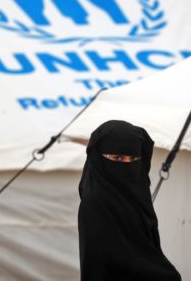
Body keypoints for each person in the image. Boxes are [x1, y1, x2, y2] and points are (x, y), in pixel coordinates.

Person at [78, 120, 181, 281]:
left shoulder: (136, 194)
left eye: (133, 159)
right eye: (117, 158)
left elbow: (147, 247)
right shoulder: (97, 202)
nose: (126, 165)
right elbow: (118, 261)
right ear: (99, 159)